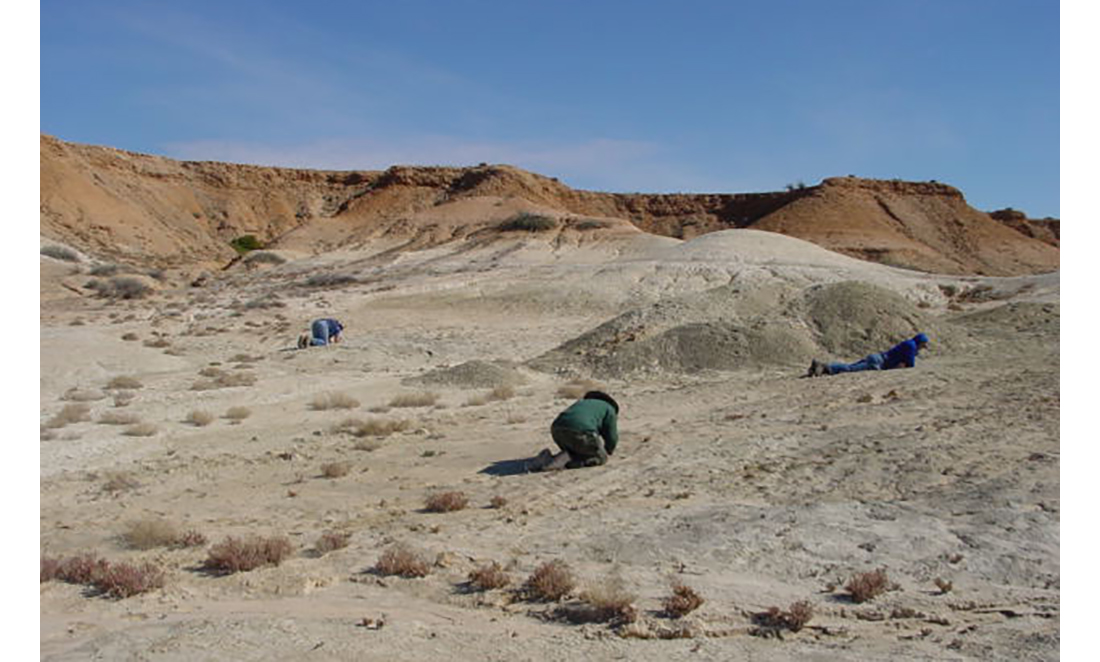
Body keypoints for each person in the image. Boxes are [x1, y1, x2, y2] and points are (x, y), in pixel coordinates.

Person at [530, 391, 620, 471]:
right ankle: (564, 463)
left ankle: (549, 458)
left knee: (577, 450)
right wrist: (609, 450)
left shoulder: (582, 403)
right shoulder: (609, 408)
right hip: (581, 430)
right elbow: (611, 435)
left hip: (557, 429)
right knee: (599, 458)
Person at [807, 333, 929, 377]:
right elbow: (910, 364)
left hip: (877, 358)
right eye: (923, 344)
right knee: (850, 369)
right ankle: (824, 367)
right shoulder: (911, 346)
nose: (923, 347)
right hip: (878, 363)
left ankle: (821, 367)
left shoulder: (909, 343)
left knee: (849, 367)